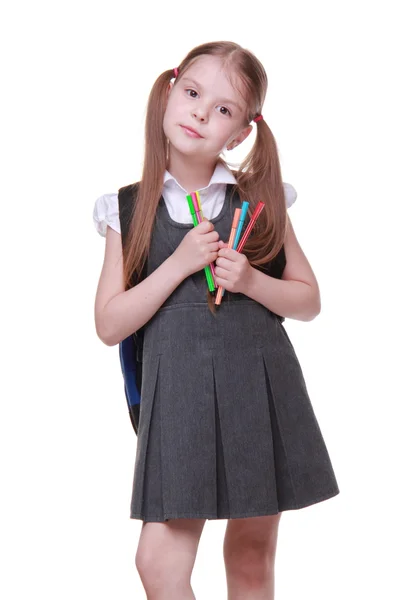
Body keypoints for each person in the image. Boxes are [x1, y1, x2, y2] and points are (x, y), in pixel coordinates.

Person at [93, 41, 340, 600]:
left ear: (240, 132)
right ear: (170, 92)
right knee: (158, 562)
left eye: (224, 109)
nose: (202, 112)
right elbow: (109, 325)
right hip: (177, 398)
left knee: (251, 558)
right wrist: (179, 265)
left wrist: (251, 280)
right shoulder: (125, 210)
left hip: (258, 387)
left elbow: (308, 301)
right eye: (194, 93)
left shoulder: (260, 199)